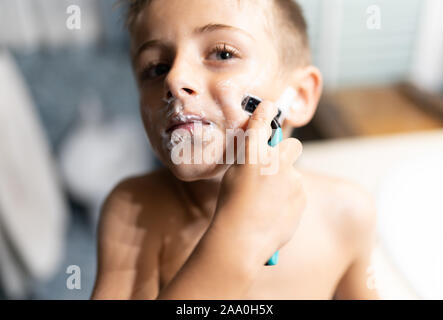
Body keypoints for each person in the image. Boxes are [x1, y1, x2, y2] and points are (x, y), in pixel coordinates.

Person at [91, 0, 378, 299]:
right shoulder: (134, 213)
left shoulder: (347, 212)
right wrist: (237, 240)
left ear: (299, 97)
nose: (174, 80)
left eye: (223, 53)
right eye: (156, 68)